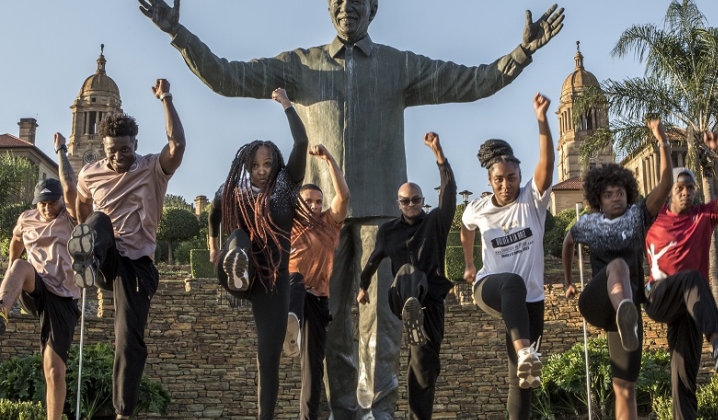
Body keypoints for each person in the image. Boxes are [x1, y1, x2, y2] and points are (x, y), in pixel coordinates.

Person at [138, 1, 564, 417]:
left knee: (384, 324)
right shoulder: (302, 66)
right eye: (338, 0)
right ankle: (342, 411)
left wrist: (521, 53)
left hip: (382, 217)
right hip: (323, 219)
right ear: (328, 8)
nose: (347, 6)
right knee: (332, 323)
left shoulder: (397, 66)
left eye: (357, 0)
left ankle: (379, 411)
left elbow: (471, 81)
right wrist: (178, 33)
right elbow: (227, 76)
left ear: (373, 8)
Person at [67, 79, 185, 420]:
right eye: (111, 150)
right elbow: (80, 209)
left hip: (135, 267)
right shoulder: (90, 172)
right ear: (103, 147)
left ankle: (123, 412)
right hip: (104, 258)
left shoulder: (152, 168)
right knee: (99, 220)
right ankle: (85, 258)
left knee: (127, 338)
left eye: (124, 148)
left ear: (135, 143)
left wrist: (166, 99)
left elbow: (177, 144)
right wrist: (83, 227)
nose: (117, 155)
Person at [208, 87, 314, 420]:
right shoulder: (234, 191)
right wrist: (214, 248)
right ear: (246, 165)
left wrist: (286, 105)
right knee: (238, 235)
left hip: (272, 280)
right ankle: (237, 262)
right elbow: (213, 213)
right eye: (255, 165)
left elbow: (301, 144)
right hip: (238, 272)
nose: (262, 170)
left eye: (267, 164)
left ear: (276, 165)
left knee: (267, 357)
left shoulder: (286, 184)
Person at [561, 119, 672, 420]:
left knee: (624, 385)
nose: (616, 198)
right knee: (618, 265)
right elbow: (568, 242)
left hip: (626, 321)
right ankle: (624, 306)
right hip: (597, 303)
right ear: (599, 199)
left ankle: (626, 313)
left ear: (629, 194)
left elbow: (665, 185)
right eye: (609, 194)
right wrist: (569, 281)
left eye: (620, 193)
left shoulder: (638, 216)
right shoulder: (589, 223)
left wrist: (661, 141)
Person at [460, 93, 555, 419]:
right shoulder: (478, 208)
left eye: (511, 178)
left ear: (519, 176)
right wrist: (471, 264)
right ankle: (525, 349)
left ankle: (525, 356)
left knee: (523, 381)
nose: (506, 185)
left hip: (532, 301)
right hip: (490, 288)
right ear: (490, 180)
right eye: (499, 180)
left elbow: (547, 163)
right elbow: (465, 227)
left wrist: (541, 119)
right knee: (511, 283)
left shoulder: (532, 201)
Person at [0, 132, 80, 420]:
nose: (47, 208)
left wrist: (61, 150)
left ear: (60, 200)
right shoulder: (26, 217)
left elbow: (71, 187)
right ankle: (0, 312)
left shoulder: (70, 217)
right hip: (37, 287)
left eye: (52, 202)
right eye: (42, 203)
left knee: (54, 370)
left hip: (64, 299)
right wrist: (11, 268)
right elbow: (16, 240)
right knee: (20, 266)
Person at [644, 131, 718, 420]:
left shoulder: (703, 216)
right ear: (670, 192)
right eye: (680, 188)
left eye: (690, 188)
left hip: (689, 309)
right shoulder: (653, 219)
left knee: (684, 378)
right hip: (659, 297)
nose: (687, 192)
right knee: (692, 278)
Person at [356, 132, 454, 420]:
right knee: (408, 273)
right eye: (405, 201)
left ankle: (417, 417)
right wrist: (362, 288)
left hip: (431, 303)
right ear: (398, 204)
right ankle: (412, 311)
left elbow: (448, 195)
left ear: (423, 200)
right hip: (401, 297)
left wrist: (440, 156)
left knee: (424, 363)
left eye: (416, 200)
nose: (411, 205)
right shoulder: (388, 232)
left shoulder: (435, 222)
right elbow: (372, 262)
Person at [286, 143, 349, 420]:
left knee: (313, 367)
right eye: (308, 201)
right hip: (290, 293)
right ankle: (288, 324)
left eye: (318, 201)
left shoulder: (329, 224)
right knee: (295, 279)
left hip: (318, 301)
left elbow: (344, 196)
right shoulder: (287, 225)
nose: (314, 205)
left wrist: (329, 160)